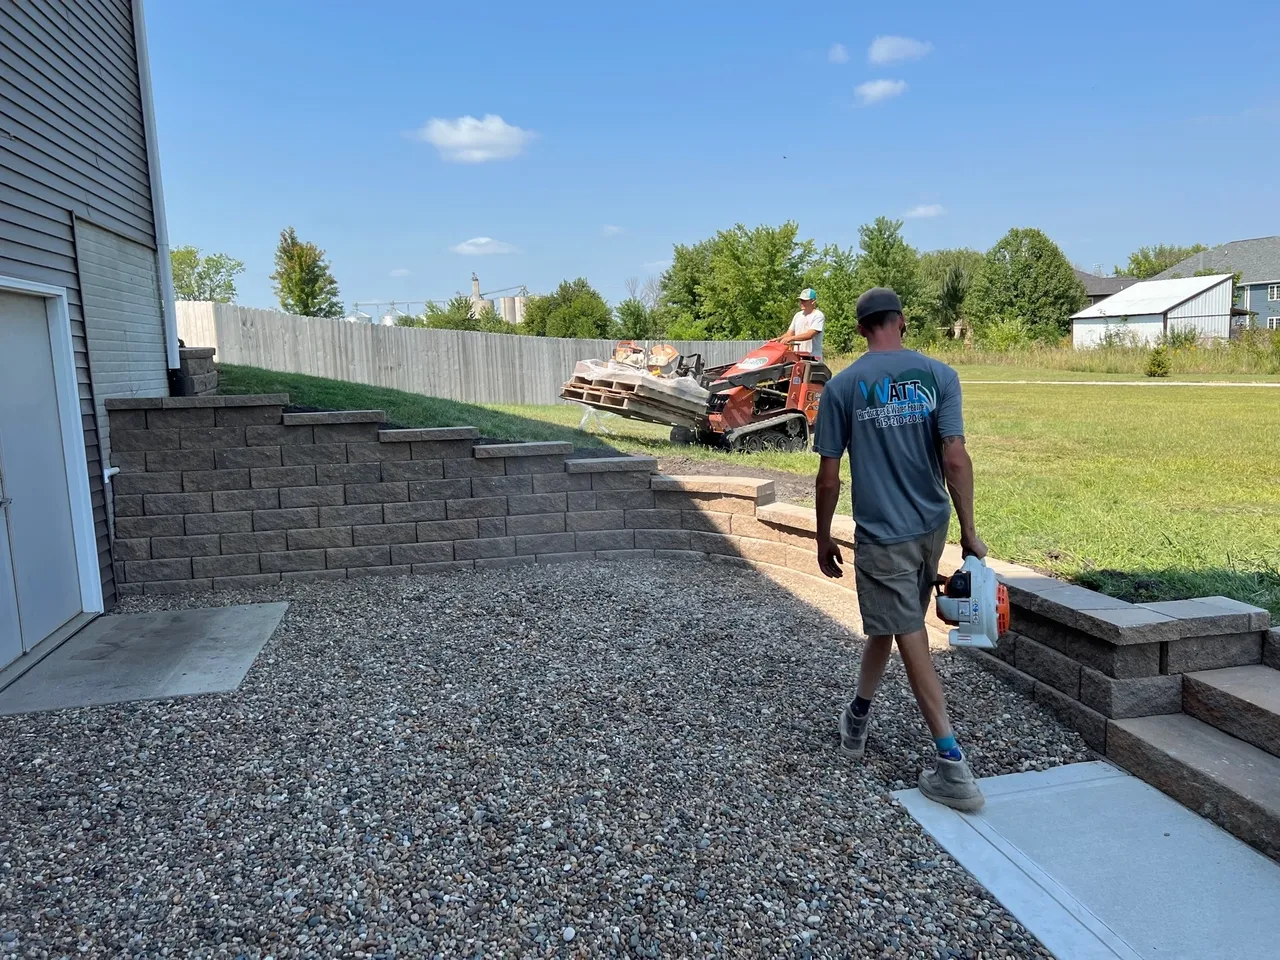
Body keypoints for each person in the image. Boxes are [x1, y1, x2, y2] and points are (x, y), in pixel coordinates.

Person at [810, 287, 987, 811]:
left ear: (862, 329)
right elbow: (954, 458)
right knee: (891, 621)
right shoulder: (940, 377)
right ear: (902, 322)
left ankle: (952, 762)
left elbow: (827, 477)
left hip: (884, 533)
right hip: (931, 525)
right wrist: (969, 531)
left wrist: (823, 537)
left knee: (907, 630)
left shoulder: (842, 388)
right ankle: (857, 717)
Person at [778, 288, 824, 357]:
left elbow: (809, 335)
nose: (801, 302)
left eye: (804, 300)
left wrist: (791, 338)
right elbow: (789, 334)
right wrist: (778, 339)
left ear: (813, 301)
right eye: (800, 300)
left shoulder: (818, 315)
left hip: (813, 357)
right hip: (798, 356)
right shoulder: (798, 315)